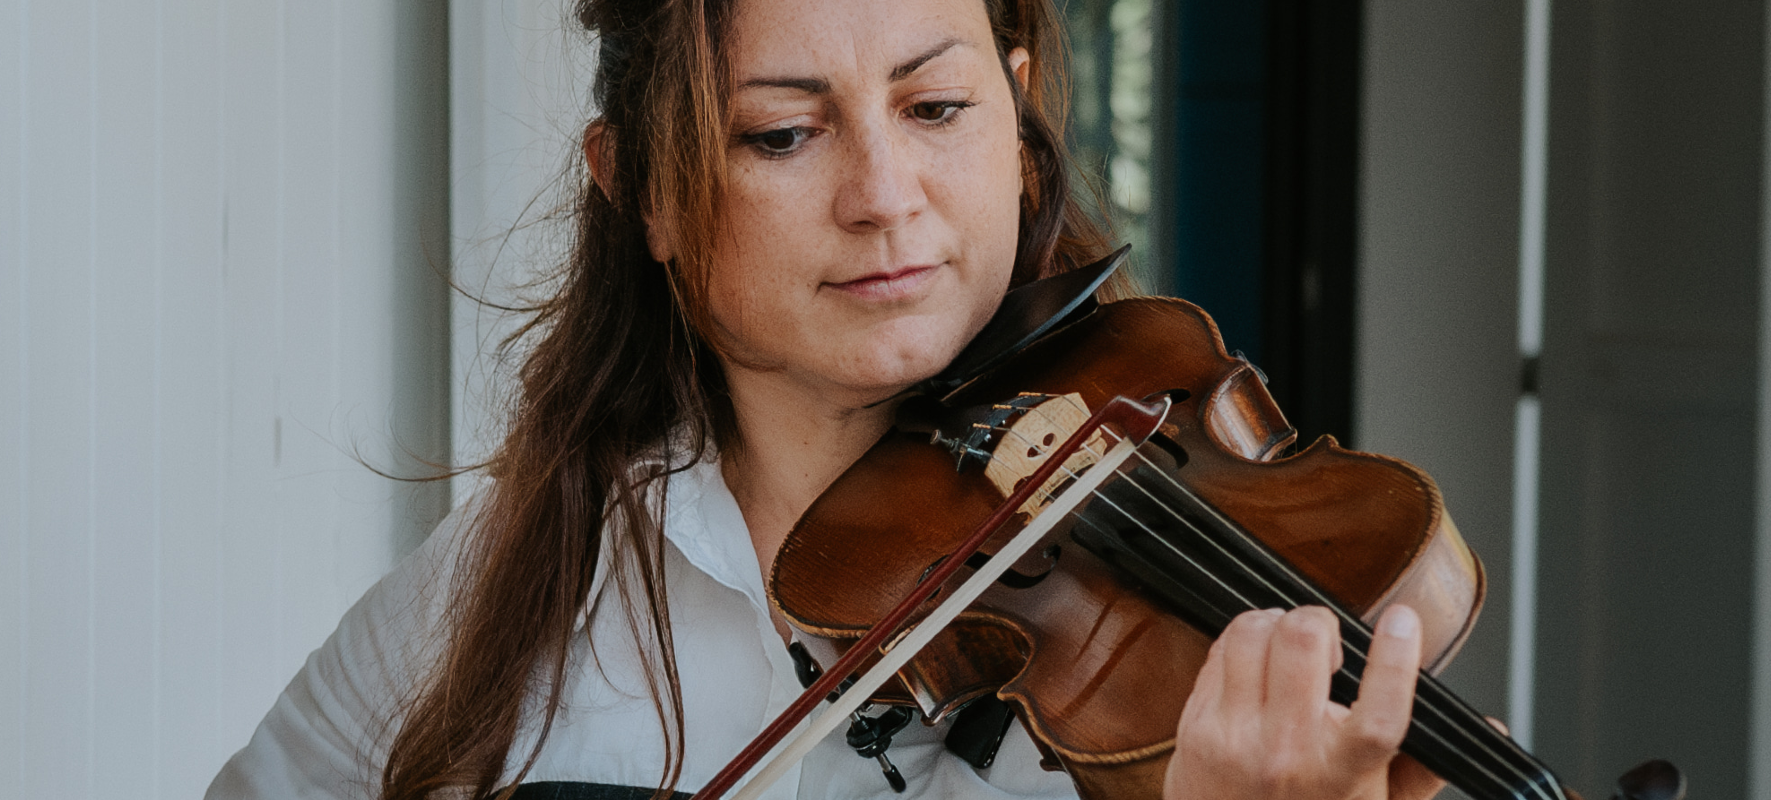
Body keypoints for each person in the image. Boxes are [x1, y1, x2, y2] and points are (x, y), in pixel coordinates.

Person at [208, 0, 1443, 798]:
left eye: (938, 107)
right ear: (640, 184)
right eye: (784, 134)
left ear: (1017, 127)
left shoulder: (1202, 674)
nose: (886, 195)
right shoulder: (523, 575)